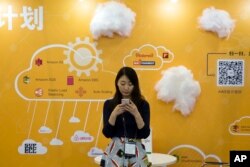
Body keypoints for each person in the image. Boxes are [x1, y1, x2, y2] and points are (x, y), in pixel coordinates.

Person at [100, 66, 151, 167]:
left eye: (130, 84)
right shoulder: (109, 104)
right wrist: (114, 114)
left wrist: (136, 113)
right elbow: (107, 133)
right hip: (115, 150)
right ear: (117, 83)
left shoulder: (143, 104)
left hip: (136, 150)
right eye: (122, 83)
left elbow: (145, 133)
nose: (126, 88)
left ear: (135, 85)